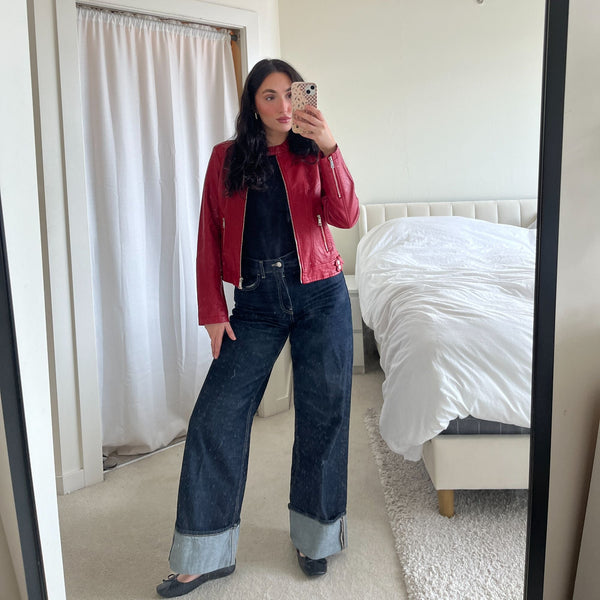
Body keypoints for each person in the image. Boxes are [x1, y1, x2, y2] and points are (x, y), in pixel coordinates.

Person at [156, 58, 359, 598]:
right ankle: (205, 553)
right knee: (215, 417)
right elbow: (207, 233)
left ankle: (315, 538)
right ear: (253, 103)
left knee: (323, 416)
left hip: (321, 295)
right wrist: (212, 311)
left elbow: (345, 216)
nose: (284, 106)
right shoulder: (226, 158)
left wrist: (331, 147)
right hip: (255, 303)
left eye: (291, 94)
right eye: (270, 96)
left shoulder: (314, 151)